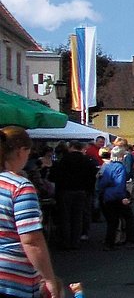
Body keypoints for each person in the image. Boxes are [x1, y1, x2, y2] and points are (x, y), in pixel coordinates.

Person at [0, 126, 64, 297]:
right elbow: (31, 240)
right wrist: (49, 278)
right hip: (11, 276)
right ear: (21, 151)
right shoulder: (19, 187)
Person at [47, 140, 97, 250]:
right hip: (81, 191)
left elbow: (55, 176)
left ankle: (66, 241)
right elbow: (92, 177)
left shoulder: (64, 160)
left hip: (66, 190)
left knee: (65, 217)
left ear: (71, 147)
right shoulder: (87, 160)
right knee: (78, 216)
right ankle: (75, 241)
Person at [98, 149, 134, 251]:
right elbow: (120, 183)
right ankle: (130, 240)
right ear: (121, 156)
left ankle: (109, 243)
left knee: (112, 221)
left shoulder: (108, 166)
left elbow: (102, 183)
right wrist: (123, 197)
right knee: (128, 217)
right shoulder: (120, 167)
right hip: (118, 196)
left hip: (108, 196)